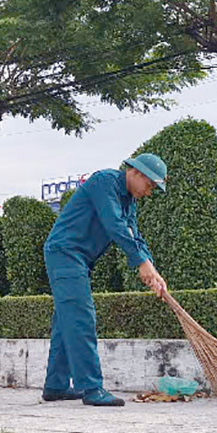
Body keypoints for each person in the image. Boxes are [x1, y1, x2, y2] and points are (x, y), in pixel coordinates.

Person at [41, 155, 169, 407]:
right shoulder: (105, 182)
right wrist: (140, 263)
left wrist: (151, 269)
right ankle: (91, 388)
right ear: (136, 173)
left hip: (80, 259)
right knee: (81, 317)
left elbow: (134, 235)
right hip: (65, 253)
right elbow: (114, 225)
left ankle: (55, 386)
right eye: (150, 185)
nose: (150, 192)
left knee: (66, 321)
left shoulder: (129, 201)